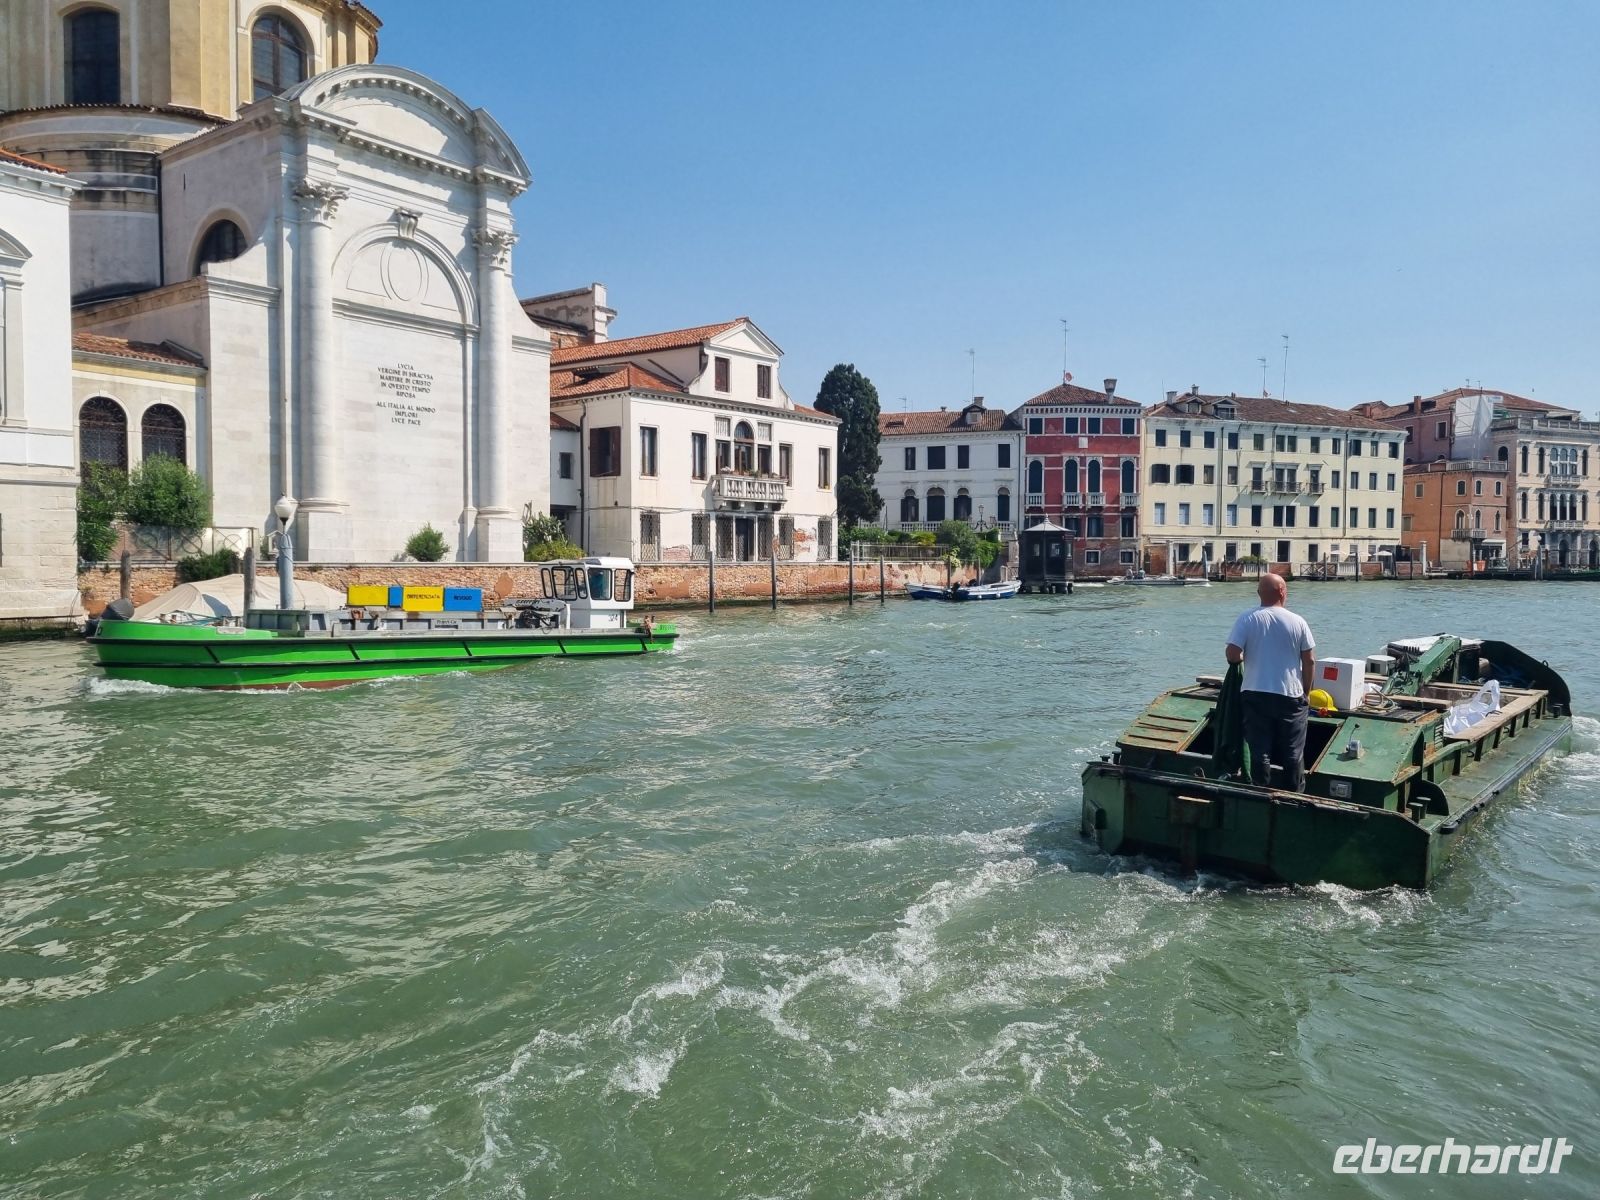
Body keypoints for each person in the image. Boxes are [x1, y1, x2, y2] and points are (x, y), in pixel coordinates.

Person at [1224, 573, 1316, 791]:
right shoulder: (1298, 621)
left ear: (1259, 594)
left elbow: (1232, 654)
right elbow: (1309, 660)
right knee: (1293, 751)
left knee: (1260, 749)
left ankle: (1260, 790)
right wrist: (1307, 692)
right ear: (1283, 592)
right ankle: (1294, 795)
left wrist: (1244, 657)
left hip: (1255, 693)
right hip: (1290, 695)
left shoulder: (1247, 618)